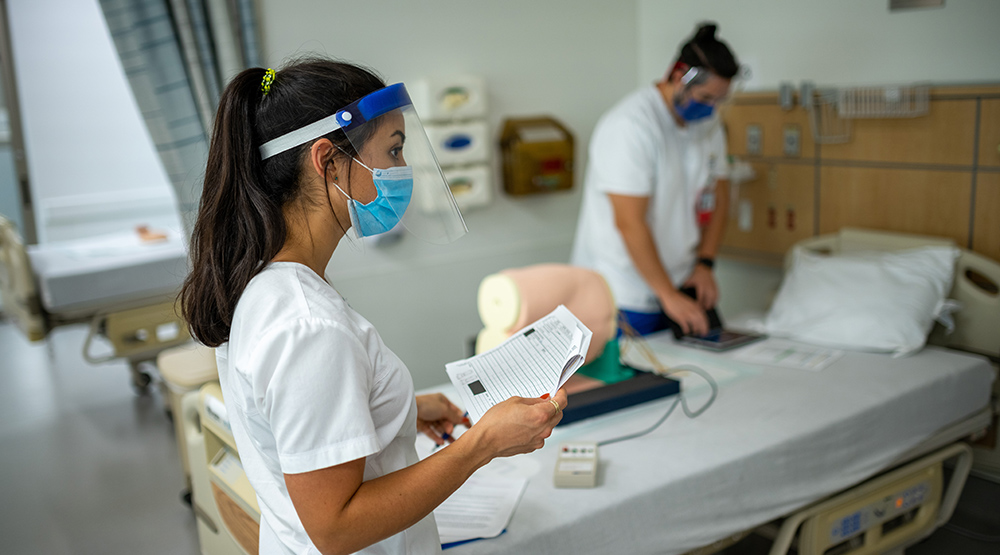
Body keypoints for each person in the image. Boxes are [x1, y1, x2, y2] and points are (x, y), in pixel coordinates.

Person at [180, 58, 567, 555]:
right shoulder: (307, 325)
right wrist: (483, 444)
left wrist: (395, 413)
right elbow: (336, 526)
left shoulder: (262, 283)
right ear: (328, 160)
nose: (402, 171)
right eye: (393, 150)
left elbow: (292, 426)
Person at [571, 23, 740, 337]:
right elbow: (629, 222)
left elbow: (720, 194)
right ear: (678, 76)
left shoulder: (708, 124)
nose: (712, 108)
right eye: (705, 98)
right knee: (637, 381)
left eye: (719, 101)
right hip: (623, 292)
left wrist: (705, 263)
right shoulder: (630, 126)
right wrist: (667, 294)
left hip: (679, 283)